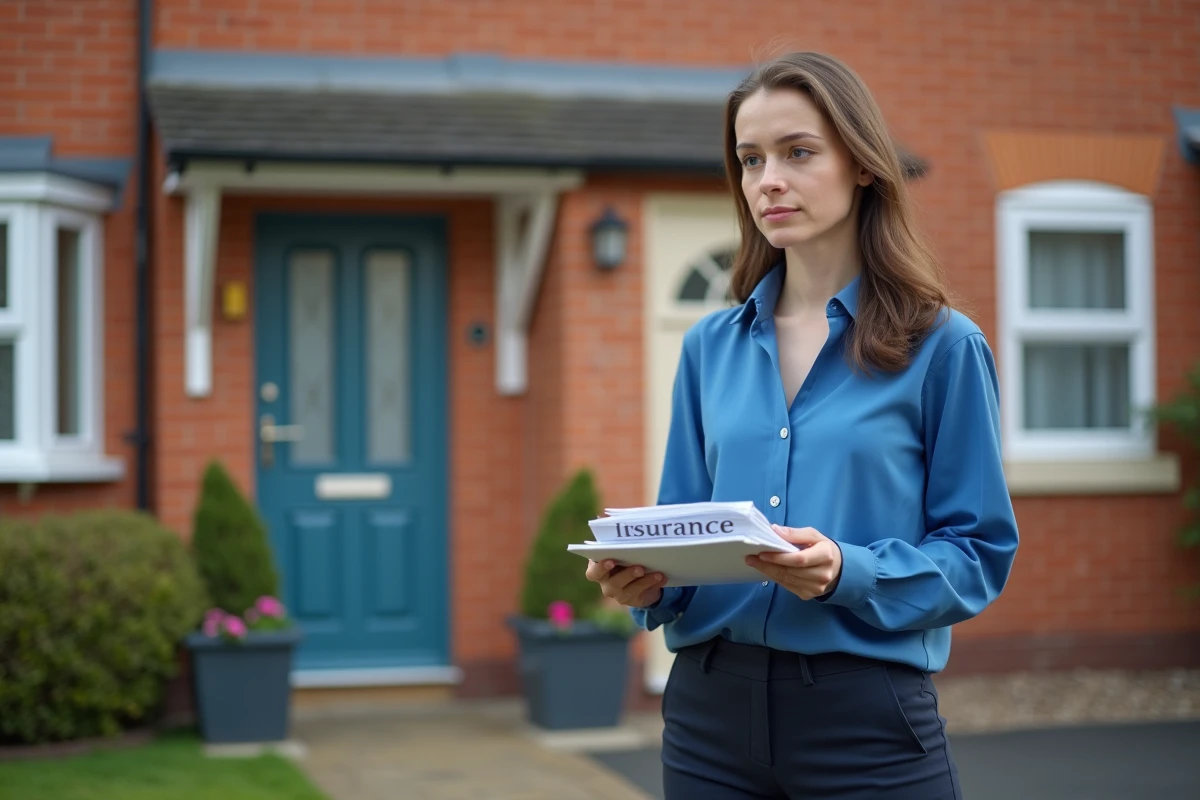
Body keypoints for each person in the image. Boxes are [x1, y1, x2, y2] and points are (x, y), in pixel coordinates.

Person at [584, 51, 1019, 799]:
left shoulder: (944, 347)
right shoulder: (708, 348)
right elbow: (686, 535)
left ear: (861, 165)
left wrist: (849, 571)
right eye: (750, 159)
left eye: (797, 152)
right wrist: (647, 584)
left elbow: (977, 552)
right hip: (706, 723)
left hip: (866, 722)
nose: (768, 181)